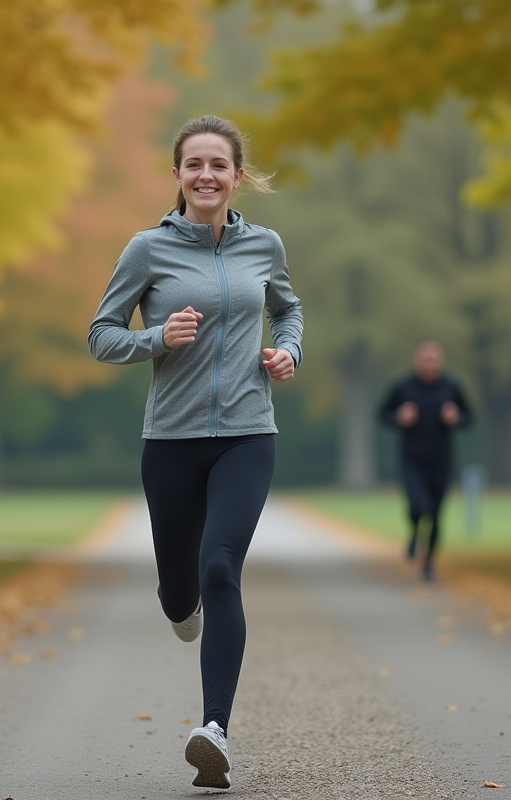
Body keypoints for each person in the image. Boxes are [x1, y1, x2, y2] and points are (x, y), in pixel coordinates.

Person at [88, 115, 303, 791]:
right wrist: (156, 339)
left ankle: (214, 732)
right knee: (181, 592)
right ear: (177, 175)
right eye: (194, 165)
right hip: (171, 444)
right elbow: (100, 336)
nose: (206, 175)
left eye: (219, 164)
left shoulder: (264, 245)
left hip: (247, 434)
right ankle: (177, 602)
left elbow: (289, 310)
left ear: (238, 176)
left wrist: (287, 351)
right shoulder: (147, 250)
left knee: (220, 570)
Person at [378, 339, 472, 581]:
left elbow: (470, 417)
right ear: (417, 360)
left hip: (442, 460)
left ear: (440, 361)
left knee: (437, 514)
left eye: (433, 358)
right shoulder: (403, 387)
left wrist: (456, 418)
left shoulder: (451, 387)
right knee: (418, 506)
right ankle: (413, 531)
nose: (429, 363)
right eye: (425, 358)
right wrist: (399, 417)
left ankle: (428, 563)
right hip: (412, 460)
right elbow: (382, 415)